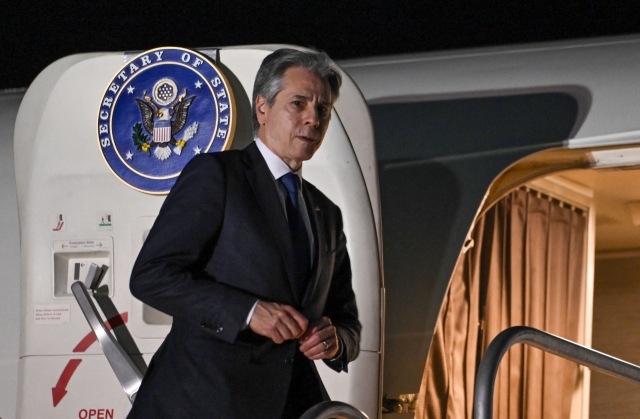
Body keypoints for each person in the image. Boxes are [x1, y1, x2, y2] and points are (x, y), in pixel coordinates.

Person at [127, 48, 361, 419]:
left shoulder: (326, 213)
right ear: (262, 108)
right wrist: (248, 312)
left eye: (323, 110)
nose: (312, 119)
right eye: (298, 103)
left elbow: (347, 321)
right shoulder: (217, 176)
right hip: (202, 403)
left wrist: (335, 343)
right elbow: (151, 276)